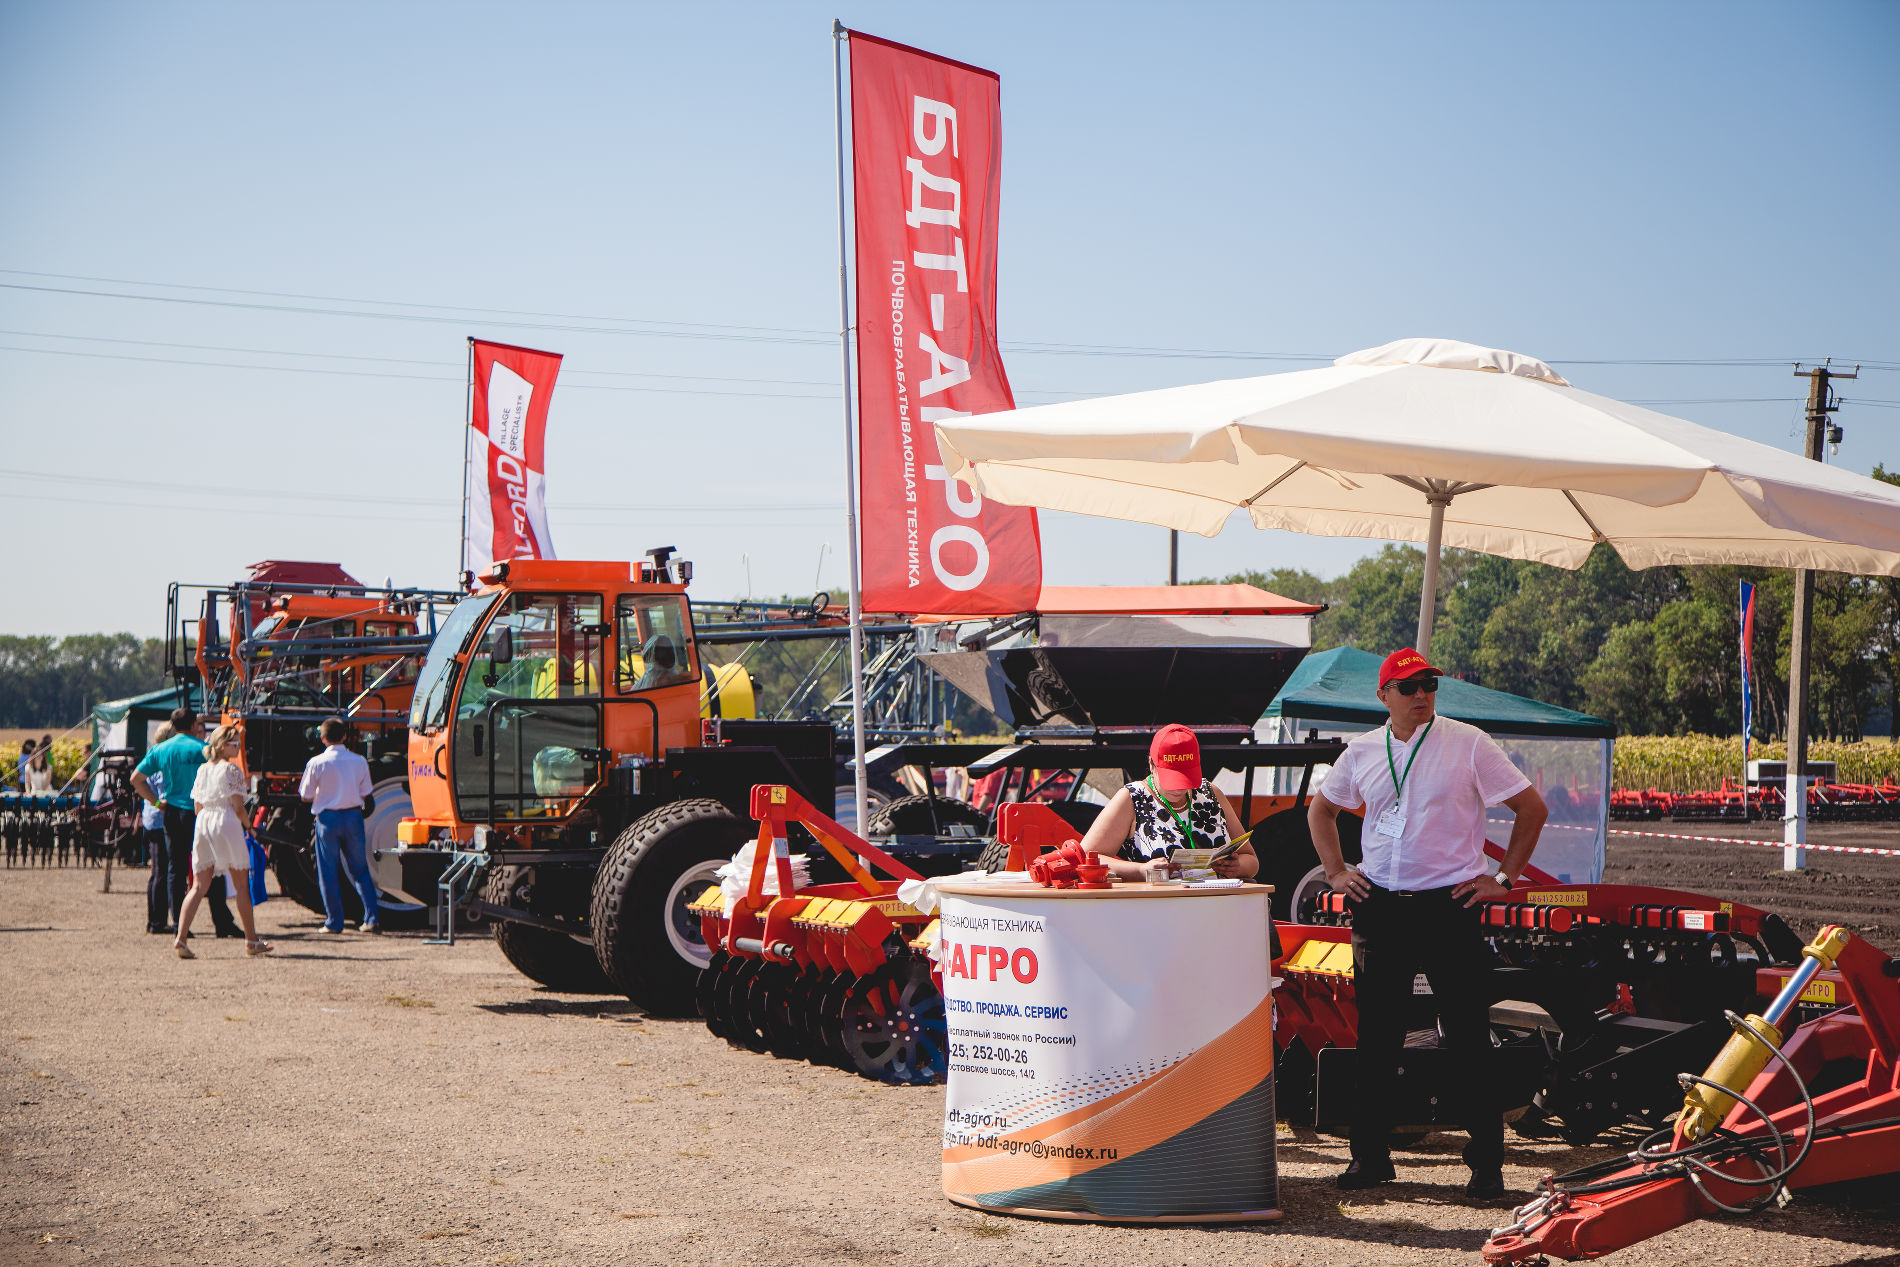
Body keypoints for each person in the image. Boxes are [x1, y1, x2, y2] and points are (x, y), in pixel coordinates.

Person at [1308, 647, 1548, 1201]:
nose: (1422, 694)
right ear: (1384, 696)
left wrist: (1504, 879)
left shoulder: (1468, 743)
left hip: (1451, 907)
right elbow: (1321, 811)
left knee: (1469, 1038)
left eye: (1429, 685)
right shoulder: (1363, 751)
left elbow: (1531, 808)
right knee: (1378, 1040)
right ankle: (1370, 1160)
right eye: (1409, 686)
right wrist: (1336, 872)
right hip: (1381, 906)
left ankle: (1487, 1168)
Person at [1077, 724, 1258, 882]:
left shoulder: (1210, 792)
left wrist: (1237, 866)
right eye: (1171, 780)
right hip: (1161, 911)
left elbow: (1251, 860)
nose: (1178, 789)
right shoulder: (1132, 798)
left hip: (1218, 907)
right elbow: (1086, 858)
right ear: (1151, 764)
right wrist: (1141, 871)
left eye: (1186, 780)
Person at [133, 708, 240, 938]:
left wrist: (155, 802)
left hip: (171, 812)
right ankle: (222, 922)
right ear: (193, 725)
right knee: (213, 866)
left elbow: (136, 779)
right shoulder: (202, 749)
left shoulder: (160, 749)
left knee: (176, 869)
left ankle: (179, 924)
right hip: (199, 810)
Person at [173, 724, 272, 958]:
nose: (237, 747)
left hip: (204, 821)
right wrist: (249, 827)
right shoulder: (232, 770)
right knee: (241, 885)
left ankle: (181, 938)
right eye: (233, 743)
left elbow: (197, 806)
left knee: (198, 885)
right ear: (221, 745)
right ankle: (251, 940)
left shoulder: (203, 769)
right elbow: (238, 807)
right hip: (225, 820)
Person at [298, 717, 381, 934]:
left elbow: (305, 795)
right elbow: (366, 793)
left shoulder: (316, 763)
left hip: (327, 819)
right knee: (360, 869)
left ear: (323, 738)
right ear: (345, 736)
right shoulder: (359, 761)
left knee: (328, 871)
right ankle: (371, 918)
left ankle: (335, 921)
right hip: (353, 817)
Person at [142, 722, 177, 933]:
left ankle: (154, 919)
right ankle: (157, 921)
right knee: (162, 872)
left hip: (150, 819)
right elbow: (164, 791)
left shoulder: (151, 755)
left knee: (156, 872)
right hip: (160, 819)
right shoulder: (163, 759)